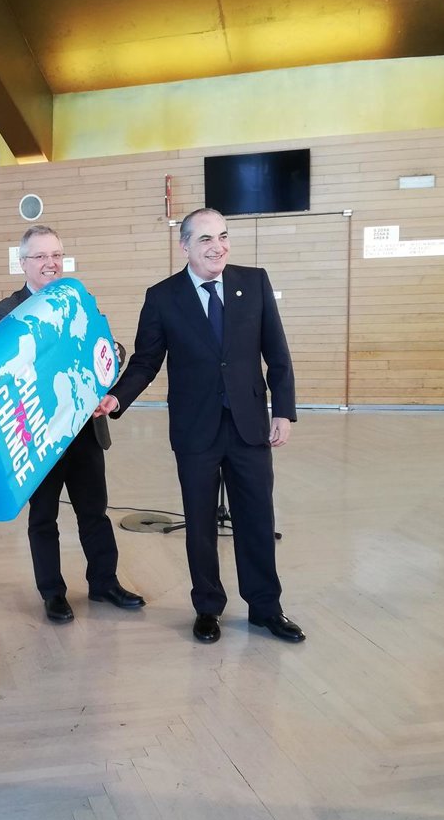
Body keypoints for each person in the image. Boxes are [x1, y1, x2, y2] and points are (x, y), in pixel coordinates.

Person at [93, 208, 305, 645]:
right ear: (185, 246)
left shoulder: (254, 282)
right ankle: (207, 607)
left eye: (223, 236)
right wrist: (118, 397)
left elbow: (277, 353)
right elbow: (146, 360)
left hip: (249, 426)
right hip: (195, 430)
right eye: (206, 239)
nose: (218, 247)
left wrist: (283, 411)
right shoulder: (162, 297)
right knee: (201, 524)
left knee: (257, 520)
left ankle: (266, 608)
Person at [0, 224, 145, 624]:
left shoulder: (79, 299)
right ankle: (52, 593)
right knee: (43, 518)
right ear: (23, 262)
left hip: (84, 431)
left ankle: (104, 582)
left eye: (56, 255)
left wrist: (113, 354)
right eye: (41, 256)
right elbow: (10, 372)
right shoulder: (5, 312)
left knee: (95, 512)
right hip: (40, 438)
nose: (51, 263)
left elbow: (107, 346)